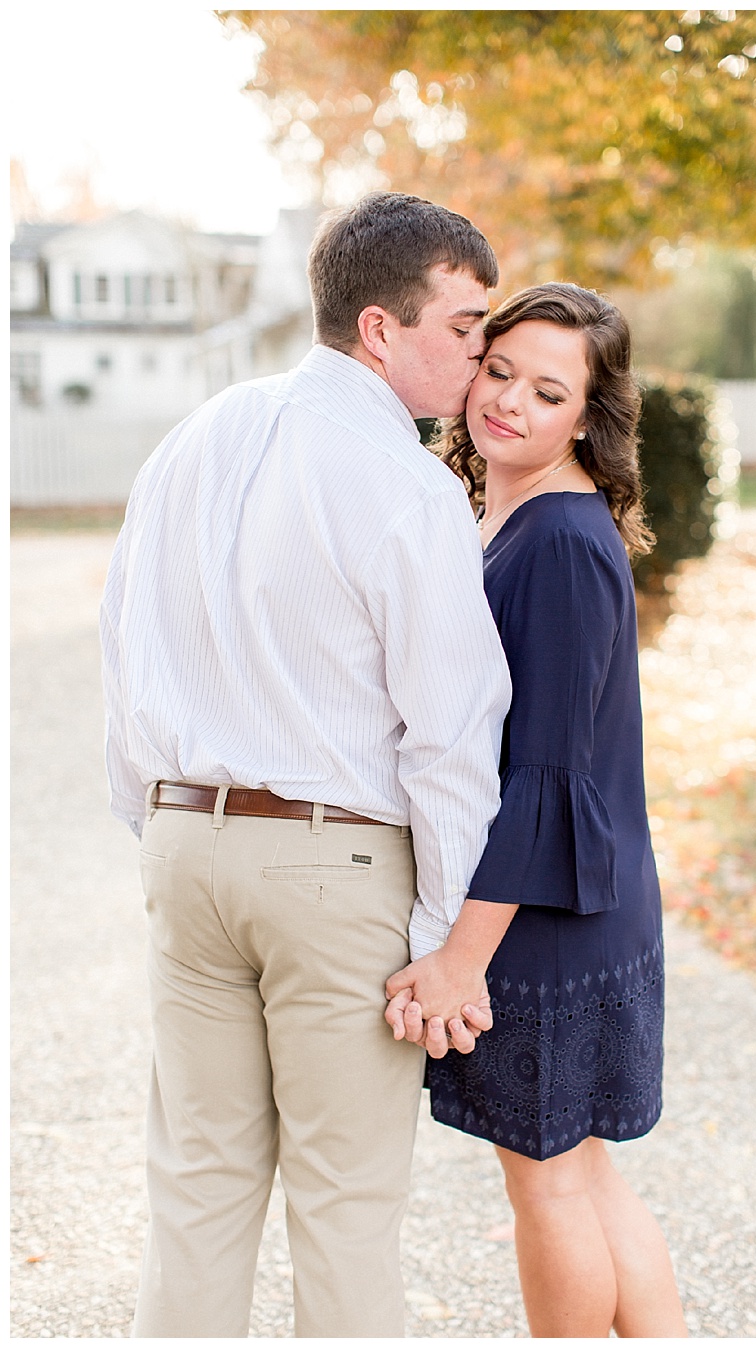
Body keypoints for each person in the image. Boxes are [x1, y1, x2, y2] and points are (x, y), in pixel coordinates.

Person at [101, 192, 512, 1336]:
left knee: (197, 1186)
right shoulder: (408, 484)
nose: (479, 356)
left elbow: (121, 647)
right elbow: (451, 733)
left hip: (186, 844)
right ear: (381, 329)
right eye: (463, 327)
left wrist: (162, 824)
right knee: (345, 1204)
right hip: (334, 870)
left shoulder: (194, 438)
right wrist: (442, 936)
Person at [382, 283, 686, 1337]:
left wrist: (460, 959)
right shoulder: (510, 513)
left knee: (550, 1183)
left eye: (548, 392)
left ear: (587, 419)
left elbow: (547, 778)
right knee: (582, 1171)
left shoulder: (557, 539)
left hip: (544, 914)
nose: (509, 401)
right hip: (573, 895)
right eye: (500, 370)